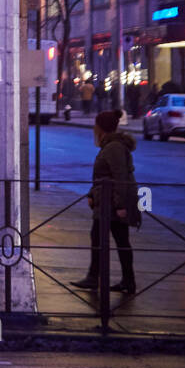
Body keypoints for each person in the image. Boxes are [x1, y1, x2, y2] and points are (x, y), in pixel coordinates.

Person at [71, 110, 141, 295]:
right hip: (106, 202)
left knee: (107, 239)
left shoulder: (114, 148)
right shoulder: (110, 145)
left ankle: (98, 278)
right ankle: (125, 280)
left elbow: (119, 177)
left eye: (96, 124)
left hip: (111, 204)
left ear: (100, 126)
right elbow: (103, 176)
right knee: (113, 239)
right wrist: (92, 194)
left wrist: (120, 206)